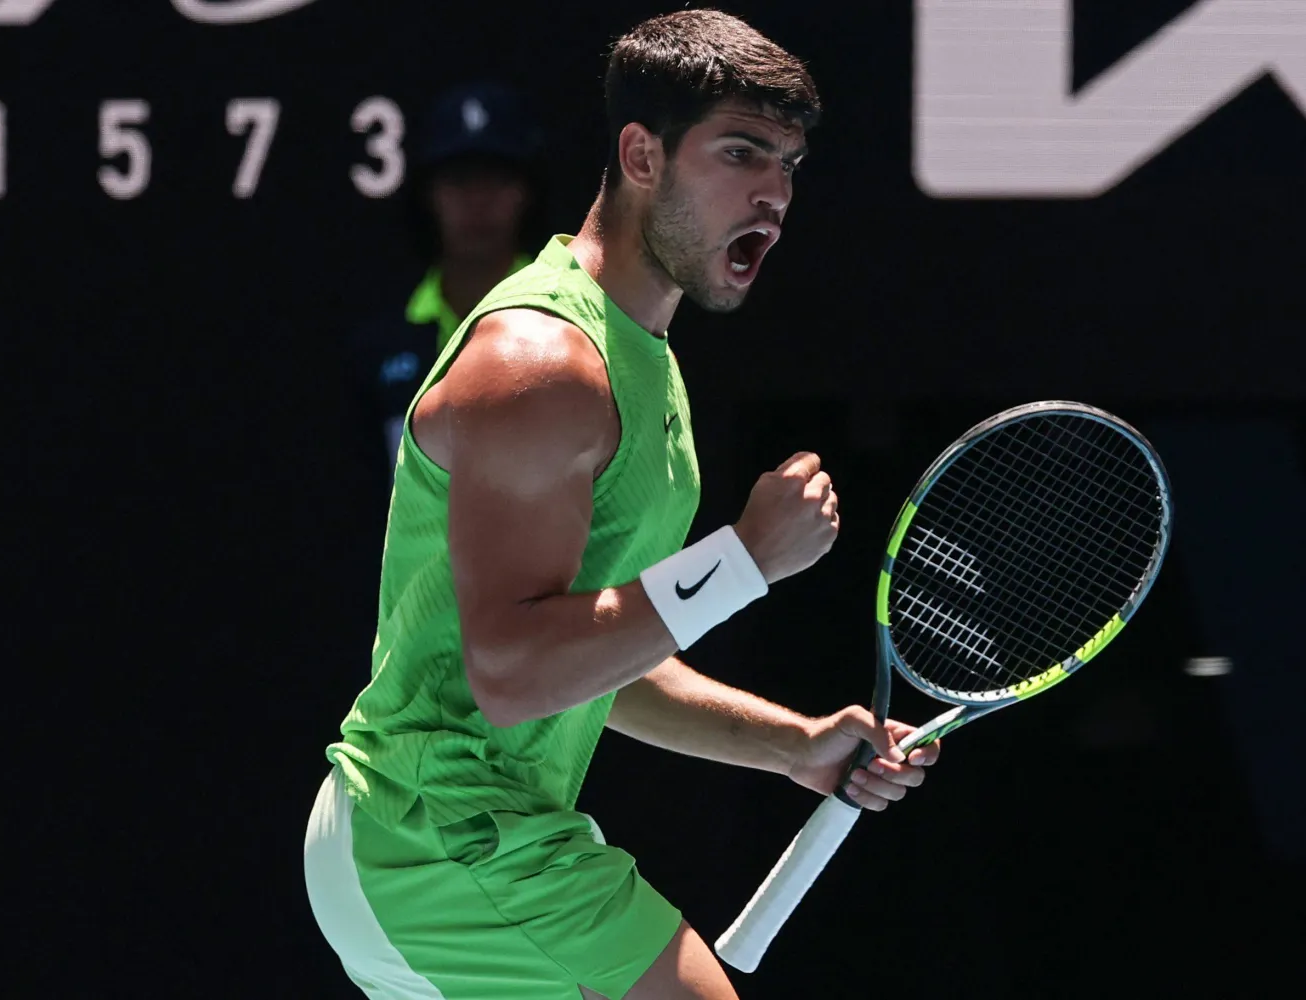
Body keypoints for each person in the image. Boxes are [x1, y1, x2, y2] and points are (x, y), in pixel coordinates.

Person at [304, 11, 942, 1000]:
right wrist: (743, 562)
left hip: (424, 838)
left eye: (788, 164)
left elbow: (590, 665)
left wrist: (792, 743)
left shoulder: (643, 361)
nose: (772, 193)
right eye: (741, 153)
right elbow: (513, 676)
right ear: (641, 155)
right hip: (445, 834)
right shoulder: (543, 364)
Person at [348, 80, 548, 474]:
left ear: (525, 190)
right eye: (459, 180)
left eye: (495, 178)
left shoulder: (578, 323)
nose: (477, 201)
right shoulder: (379, 346)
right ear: (429, 193)